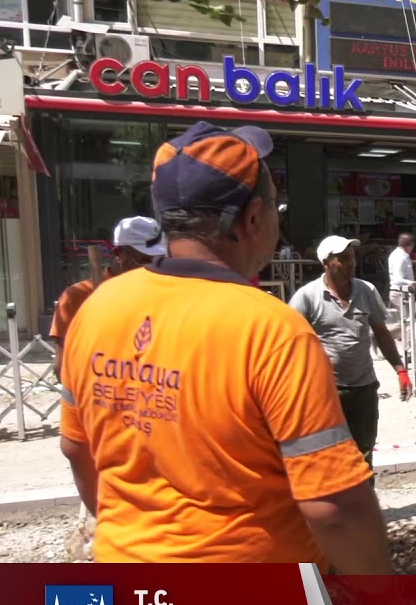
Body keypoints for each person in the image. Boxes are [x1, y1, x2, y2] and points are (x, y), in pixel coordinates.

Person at [56, 120, 391, 573]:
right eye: (277, 206)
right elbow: (333, 507)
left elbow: (78, 450)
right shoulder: (273, 331)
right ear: (254, 218)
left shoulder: (96, 309)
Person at [290, 235, 413, 471]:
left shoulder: (366, 291)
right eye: (344, 259)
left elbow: (381, 332)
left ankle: (363, 504)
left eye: (352, 258)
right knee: (328, 455)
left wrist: (400, 369)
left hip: (364, 389)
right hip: (327, 390)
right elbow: (289, 342)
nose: (351, 263)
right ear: (326, 263)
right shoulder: (307, 297)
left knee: (363, 453)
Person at [50, 216, 166, 374]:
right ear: (119, 254)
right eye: (145, 260)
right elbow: (62, 368)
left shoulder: (165, 295)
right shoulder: (78, 297)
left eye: (161, 261)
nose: (154, 267)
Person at [388, 232, 416, 311]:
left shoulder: (396, 254)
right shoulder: (401, 257)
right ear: (411, 245)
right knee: (407, 320)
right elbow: (398, 279)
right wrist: (413, 283)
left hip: (401, 293)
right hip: (400, 294)